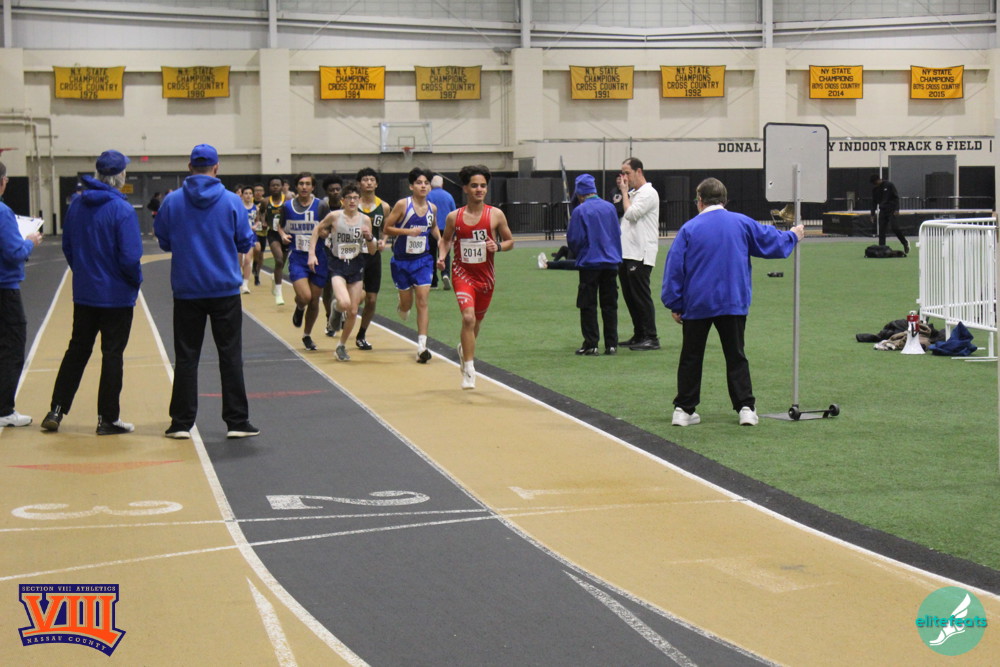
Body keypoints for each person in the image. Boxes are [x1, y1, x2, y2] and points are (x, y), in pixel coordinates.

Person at [661, 177, 804, 427]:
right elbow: (771, 242)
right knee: (736, 355)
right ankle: (745, 407)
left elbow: (675, 268)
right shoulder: (742, 223)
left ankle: (683, 409)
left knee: (691, 356)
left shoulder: (689, 229)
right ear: (725, 200)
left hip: (698, 303)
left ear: (699, 200)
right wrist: (792, 236)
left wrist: (675, 303)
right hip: (732, 301)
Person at [154, 144, 259, 440]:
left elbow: (163, 240)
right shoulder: (232, 201)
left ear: (190, 167)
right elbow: (245, 241)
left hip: (187, 290)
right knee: (230, 355)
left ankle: (181, 422)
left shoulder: (172, 201)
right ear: (216, 167)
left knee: (186, 357)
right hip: (224, 289)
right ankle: (237, 420)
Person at [41, 150, 142, 435]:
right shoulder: (122, 210)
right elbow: (130, 257)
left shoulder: (77, 205)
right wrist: (134, 282)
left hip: (85, 293)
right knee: (112, 355)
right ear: (120, 176)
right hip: (117, 296)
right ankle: (107, 419)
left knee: (77, 350)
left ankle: (56, 409)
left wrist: (83, 272)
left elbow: (68, 247)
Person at [437, 165, 514, 389]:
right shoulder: (454, 217)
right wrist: (442, 256)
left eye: (482, 186)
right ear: (465, 189)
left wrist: (497, 246)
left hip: (485, 278)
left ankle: (464, 349)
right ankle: (469, 369)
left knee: (476, 322)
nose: (479, 189)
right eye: (474, 186)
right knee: (468, 318)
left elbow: (510, 241)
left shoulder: (495, 215)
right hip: (462, 274)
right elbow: (445, 240)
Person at [308, 181, 376, 362]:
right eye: (349, 198)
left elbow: (372, 250)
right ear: (343, 200)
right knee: (344, 303)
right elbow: (317, 229)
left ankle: (341, 346)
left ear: (359, 200)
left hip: (356, 264)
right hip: (337, 264)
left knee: (353, 311)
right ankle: (336, 308)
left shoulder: (365, 220)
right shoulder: (334, 216)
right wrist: (311, 254)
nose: (352, 201)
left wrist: (370, 237)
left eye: (355, 198)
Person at [0, 161, 43, 427]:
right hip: (4, 289)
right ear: (2, 182)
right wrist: (30, 241)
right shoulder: (3, 212)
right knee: (12, 348)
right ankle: (4, 409)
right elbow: (14, 252)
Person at [383, 167, 441, 363]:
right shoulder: (402, 205)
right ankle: (402, 304)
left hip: (423, 260)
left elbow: (433, 227)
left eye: (426, 183)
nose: (423, 186)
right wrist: (408, 232)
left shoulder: (432, 208)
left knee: (423, 301)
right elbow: (387, 228)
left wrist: (440, 240)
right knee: (406, 306)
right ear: (411, 186)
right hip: (402, 261)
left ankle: (422, 347)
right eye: (419, 183)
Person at [566, 173, 622, 356]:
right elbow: (617, 233)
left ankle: (591, 344)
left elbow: (574, 239)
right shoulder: (610, 208)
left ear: (579, 192)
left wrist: (580, 253)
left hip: (590, 262)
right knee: (610, 304)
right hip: (611, 262)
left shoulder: (580, 211)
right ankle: (611, 344)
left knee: (588, 304)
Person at [281, 172, 330, 351]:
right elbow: (279, 225)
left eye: (308, 184)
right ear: (296, 186)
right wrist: (282, 235)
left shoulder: (321, 206)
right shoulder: (287, 206)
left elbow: (329, 226)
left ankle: (307, 335)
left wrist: (324, 233)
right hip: (298, 256)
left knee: (315, 300)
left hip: (319, 257)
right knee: (305, 296)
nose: (304, 187)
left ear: (313, 187)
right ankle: (300, 306)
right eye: (301, 183)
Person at [617, 157, 661, 351]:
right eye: (622, 173)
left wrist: (624, 193)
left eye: (627, 173)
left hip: (640, 253)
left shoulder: (648, 193)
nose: (624, 178)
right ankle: (639, 334)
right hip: (627, 253)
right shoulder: (634, 194)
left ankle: (651, 337)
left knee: (641, 296)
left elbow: (631, 214)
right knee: (630, 297)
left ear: (639, 172)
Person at [354, 167, 390, 351]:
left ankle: (361, 334)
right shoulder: (352, 204)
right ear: (359, 183)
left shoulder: (384, 206)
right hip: (354, 254)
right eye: (365, 179)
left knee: (372, 299)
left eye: (372, 180)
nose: (368, 182)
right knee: (357, 296)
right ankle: (341, 308)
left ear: (376, 184)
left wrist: (383, 240)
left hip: (373, 255)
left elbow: (385, 228)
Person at [260, 176, 288, 305]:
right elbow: (261, 212)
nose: (275, 187)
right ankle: (279, 293)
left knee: (281, 264)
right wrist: (263, 221)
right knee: (279, 260)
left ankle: (275, 277)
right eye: (273, 185)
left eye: (278, 185)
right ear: (269, 187)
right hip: (273, 234)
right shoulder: (266, 201)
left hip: (286, 234)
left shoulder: (287, 200)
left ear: (282, 187)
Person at [321, 174, 343, 336]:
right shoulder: (322, 208)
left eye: (337, 189)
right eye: (331, 190)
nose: (335, 192)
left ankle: (341, 312)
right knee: (327, 289)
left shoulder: (347, 206)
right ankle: (330, 318)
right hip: (326, 252)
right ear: (326, 192)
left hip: (345, 252)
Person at [427, 174, 456, 290]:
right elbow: (454, 213)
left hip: (431, 229)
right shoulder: (449, 196)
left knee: (431, 254)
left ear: (431, 185)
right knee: (445, 253)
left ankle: (433, 281)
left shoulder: (428, 196)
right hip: (446, 229)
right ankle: (445, 274)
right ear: (442, 184)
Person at [870, 174, 907, 254]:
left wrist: (897, 209)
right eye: (874, 184)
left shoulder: (889, 185)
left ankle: (904, 242)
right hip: (882, 211)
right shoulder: (875, 190)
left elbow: (896, 197)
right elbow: (874, 202)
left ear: (879, 180)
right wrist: (872, 214)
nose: (876, 185)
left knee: (895, 228)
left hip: (891, 210)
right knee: (881, 230)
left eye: (876, 183)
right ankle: (882, 249)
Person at [239, 185, 257, 294]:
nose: (248, 195)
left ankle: (245, 284)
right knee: (238, 261)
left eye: (250, 193)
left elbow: (259, 220)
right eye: (246, 193)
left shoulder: (256, 208)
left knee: (247, 259)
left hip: (250, 236)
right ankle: (237, 281)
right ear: (242, 195)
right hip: (239, 235)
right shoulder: (238, 206)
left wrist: (256, 226)